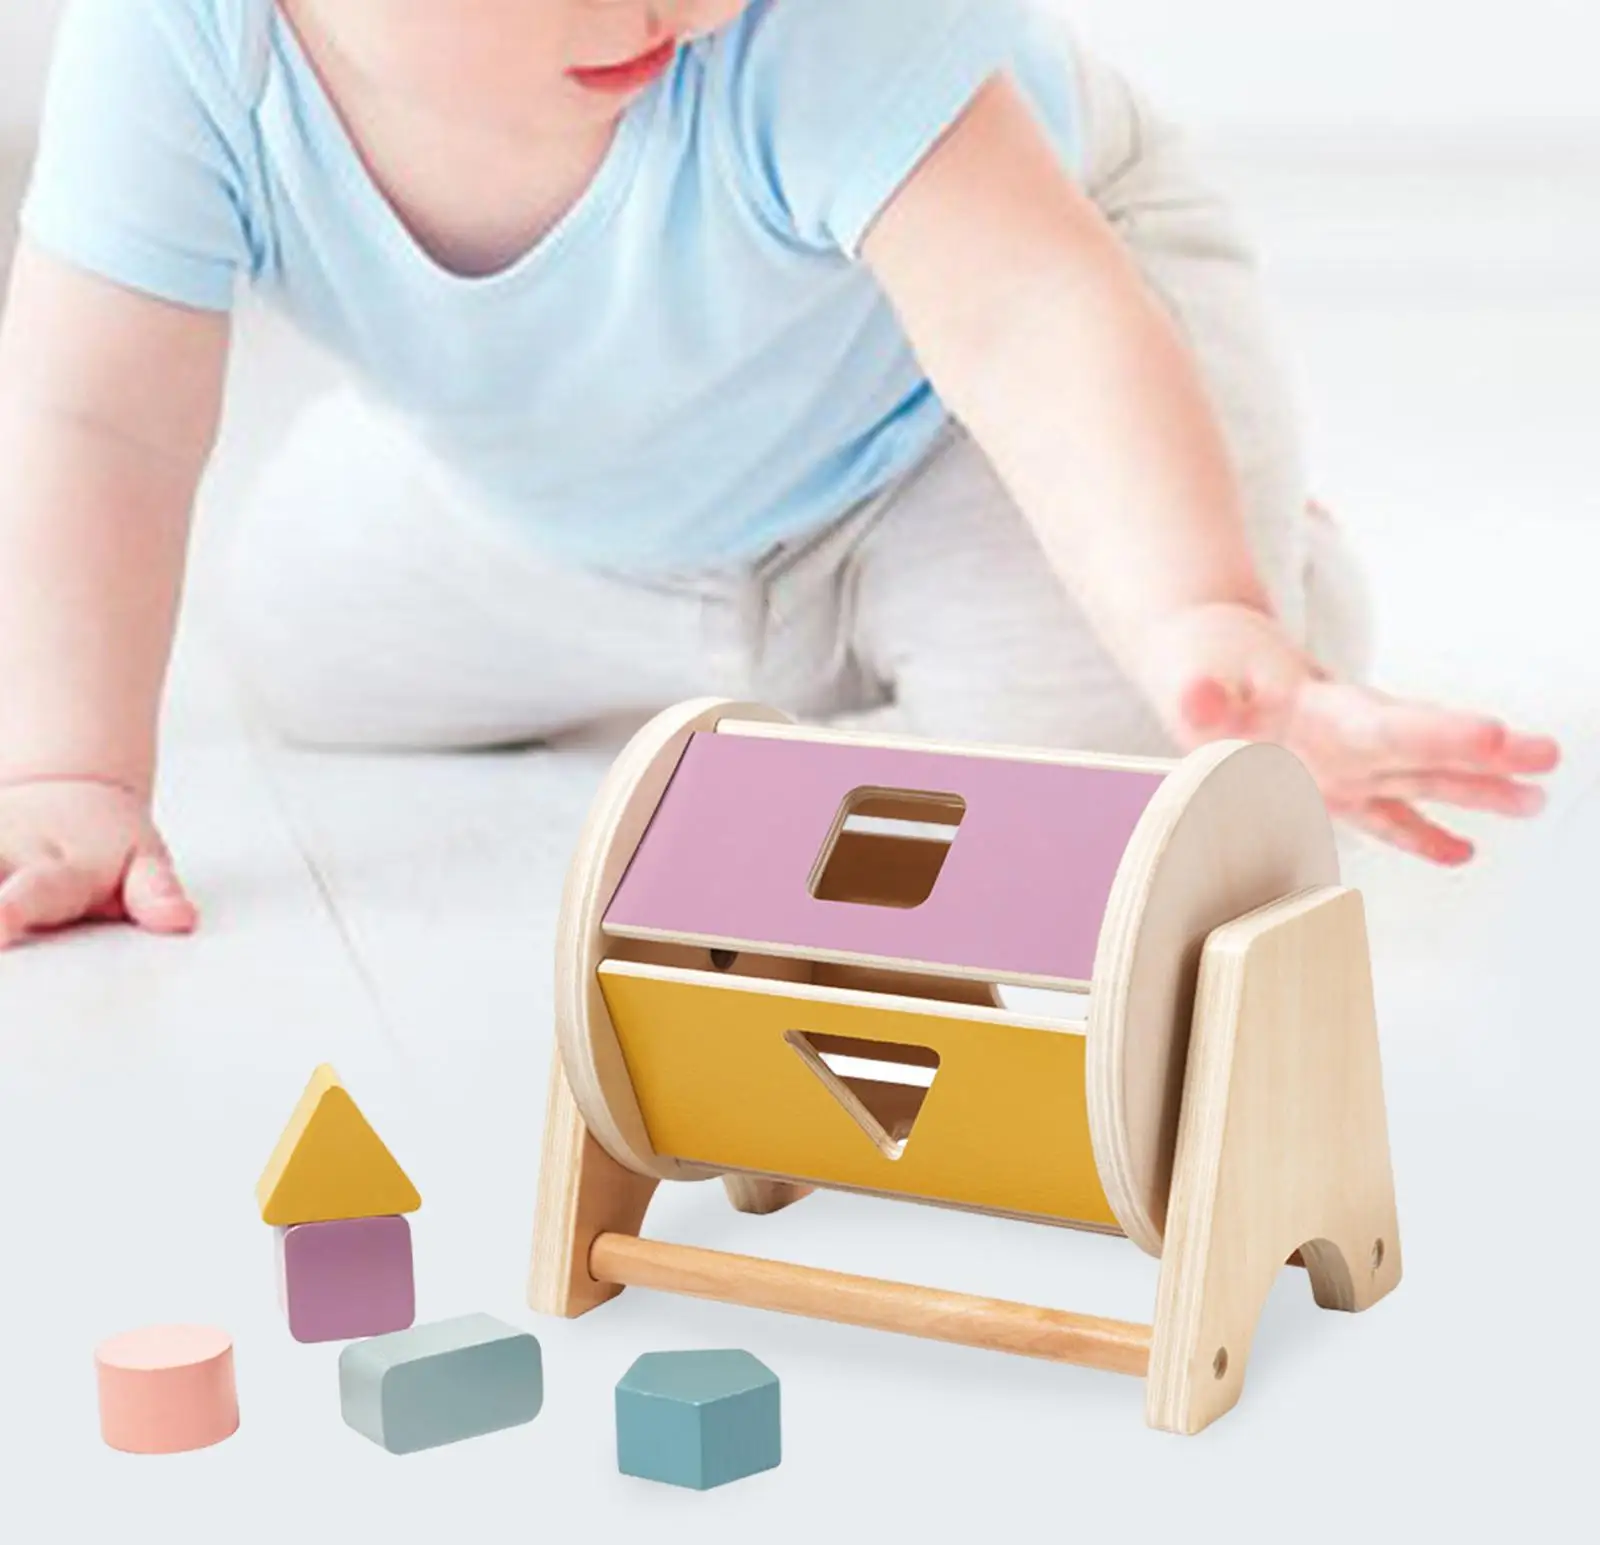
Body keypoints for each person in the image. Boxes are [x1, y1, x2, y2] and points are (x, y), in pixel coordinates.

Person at [0, 0, 1559, 950]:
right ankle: (818, 638)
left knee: (1128, 764)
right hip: (593, 481)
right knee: (302, 648)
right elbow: (97, 424)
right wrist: (70, 774)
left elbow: (1027, 319)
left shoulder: (799, 21)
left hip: (961, 418)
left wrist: (1197, 612)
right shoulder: (175, 50)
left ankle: (1248, 578)